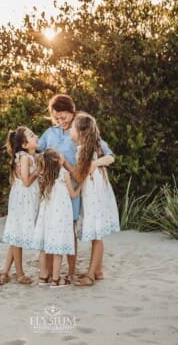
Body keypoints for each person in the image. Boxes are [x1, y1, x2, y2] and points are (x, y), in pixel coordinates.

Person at [38, 94, 114, 281]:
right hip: (54, 190)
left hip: (78, 188)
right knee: (51, 227)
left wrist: (93, 165)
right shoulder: (50, 133)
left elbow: (108, 154)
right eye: (56, 117)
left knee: (72, 228)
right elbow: (37, 153)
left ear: (72, 113)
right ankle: (48, 272)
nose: (60, 120)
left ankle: (73, 271)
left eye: (63, 116)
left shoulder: (81, 129)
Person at [70, 112, 120, 286]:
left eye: (72, 128)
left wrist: (64, 164)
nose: (70, 131)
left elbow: (110, 158)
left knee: (96, 235)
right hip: (92, 193)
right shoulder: (86, 146)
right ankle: (97, 271)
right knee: (96, 235)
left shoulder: (90, 147)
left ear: (81, 132)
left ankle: (91, 275)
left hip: (95, 195)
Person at [33, 148, 81, 287]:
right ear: (57, 162)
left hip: (46, 217)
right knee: (58, 248)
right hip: (60, 216)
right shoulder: (64, 174)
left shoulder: (44, 175)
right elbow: (73, 195)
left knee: (44, 248)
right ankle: (55, 280)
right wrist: (81, 186)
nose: (64, 158)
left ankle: (43, 277)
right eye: (61, 157)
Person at [0, 126, 40, 285]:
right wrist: (38, 171)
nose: (35, 135)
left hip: (28, 199)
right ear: (24, 145)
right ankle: (20, 273)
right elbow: (26, 181)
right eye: (31, 135)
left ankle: (5, 271)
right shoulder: (23, 157)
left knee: (17, 235)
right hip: (23, 200)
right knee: (18, 236)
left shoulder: (33, 156)